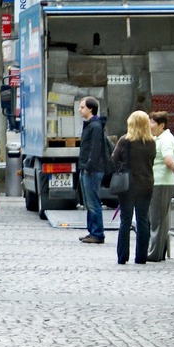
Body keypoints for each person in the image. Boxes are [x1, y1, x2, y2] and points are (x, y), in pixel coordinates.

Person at [111, 111, 156, 265]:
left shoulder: (125, 141)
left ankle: (122, 256)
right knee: (143, 220)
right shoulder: (151, 142)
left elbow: (114, 158)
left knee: (126, 220)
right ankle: (141, 257)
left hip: (128, 185)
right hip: (146, 184)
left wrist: (122, 167)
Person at [147, 112, 174, 261]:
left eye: (152, 123)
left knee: (157, 219)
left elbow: (168, 160)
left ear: (162, 125)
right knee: (158, 218)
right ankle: (159, 250)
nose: (149, 125)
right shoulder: (158, 138)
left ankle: (155, 253)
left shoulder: (166, 140)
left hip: (162, 181)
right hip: (158, 181)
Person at [78, 96, 111, 244]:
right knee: (89, 201)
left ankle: (97, 233)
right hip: (87, 167)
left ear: (90, 109)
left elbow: (95, 148)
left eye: (82, 107)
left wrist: (89, 166)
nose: (80, 110)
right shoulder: (91, 125)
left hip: (92, 169)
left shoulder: (95, 126)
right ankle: (92, 231)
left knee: (93, 202)